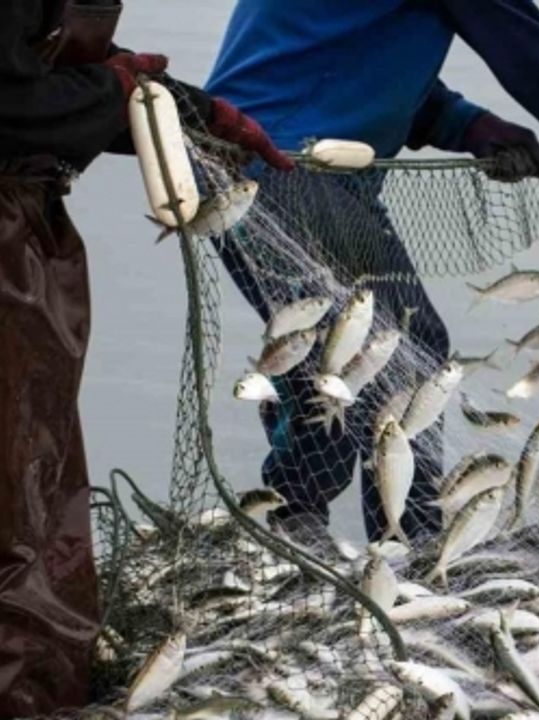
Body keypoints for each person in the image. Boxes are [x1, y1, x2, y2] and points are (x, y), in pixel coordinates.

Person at [205, 0, 539, 547]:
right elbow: (532, 57)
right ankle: (384, 544)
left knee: (369, 349)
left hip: (277, 160)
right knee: (381, 351)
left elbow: (343, 48)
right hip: (282, 169)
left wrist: (465, 124)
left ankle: (346, 533)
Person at [0, 1, 290, 714]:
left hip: (23, 224)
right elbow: (10, 104)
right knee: (16, 483)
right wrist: (116, 92)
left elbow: (41, 58)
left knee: (29, 471)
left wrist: (186, 109)